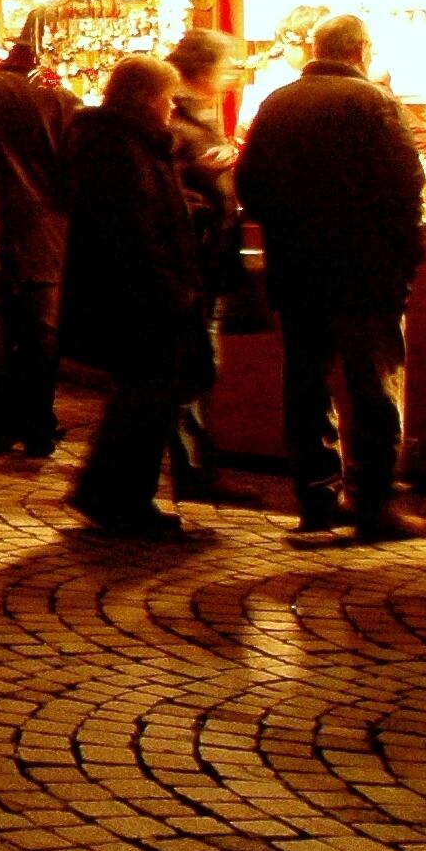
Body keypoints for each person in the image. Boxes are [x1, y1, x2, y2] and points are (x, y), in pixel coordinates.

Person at [235, 14, 426, 541]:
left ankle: (317, 500)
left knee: (306, 384)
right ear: (362, 50)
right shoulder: (376, 104)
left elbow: (249, 182)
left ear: (316, 48)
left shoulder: (279, 103)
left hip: (299, 270)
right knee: (373, 387)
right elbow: (405, 186)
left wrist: (289, 226)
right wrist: (401, 256)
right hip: (365, 274)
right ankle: (373, 505)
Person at [61, 58, 207, 536]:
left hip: (139, 291)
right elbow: (133, 226)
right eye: (167, 98)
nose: (171, 108)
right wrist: (170, 286)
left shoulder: (125, 143)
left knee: (142, 397)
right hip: (141, 295)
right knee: (147, 398)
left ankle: (111, 494)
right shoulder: (121, 148)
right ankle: (121, 498)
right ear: (147, 99)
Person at [0, 27, 80, 456]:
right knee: (40, 339)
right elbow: (75, 170)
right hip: (45, 236)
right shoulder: (59, 102)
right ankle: (38, 426)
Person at [163, 29, 254, 504]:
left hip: (206, 262)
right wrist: (206, 172)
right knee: (193, 368)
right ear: (205, 67)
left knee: (199, 366)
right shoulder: (178, 116)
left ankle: (196, 467)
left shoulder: (196, 112)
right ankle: (192, 472)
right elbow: (173, 187)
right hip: (193, 264)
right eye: (229, 64)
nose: (235, 73)